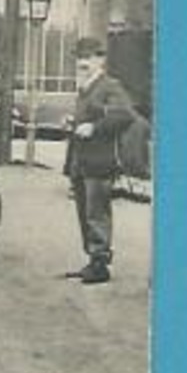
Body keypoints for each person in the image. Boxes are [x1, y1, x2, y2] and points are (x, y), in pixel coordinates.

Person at [64, 37, 136, 285]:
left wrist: (95, 128)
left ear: (100, 59)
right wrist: (73, 123)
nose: (82, 62)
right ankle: (92, 259)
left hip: (100, 160)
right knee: (85, 211)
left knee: (97, 212)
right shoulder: (86, 87)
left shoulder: (109, 86)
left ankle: (100, 261)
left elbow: (125, 115)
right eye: (79, 57)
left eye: (88, 56)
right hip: (81, 160)